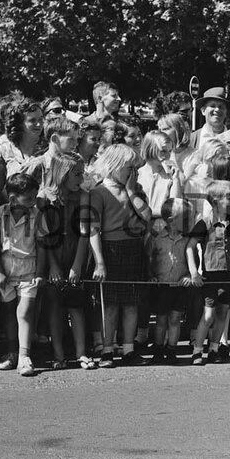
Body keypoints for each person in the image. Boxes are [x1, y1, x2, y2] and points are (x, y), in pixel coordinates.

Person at [85, 143, 151, 367]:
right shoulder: (99, 192)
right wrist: (99, 262)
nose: (133, 173)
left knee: (131, 304)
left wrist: (132, 191)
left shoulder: (135, 189)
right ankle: (107, 348)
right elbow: (93, 229)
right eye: (129, 168)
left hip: (133, 248)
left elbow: (147, 216)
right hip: (110, 250)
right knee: (110, 305)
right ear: (114, 166)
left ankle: (129, 349)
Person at [0, 172, 51, 376]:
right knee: (9, 313)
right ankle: (11, 352)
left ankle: (25, 356)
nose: (34, 201)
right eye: (29, 197)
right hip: (6, 272)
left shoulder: (37, 215)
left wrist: (41, 273)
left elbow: (42, 246)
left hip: (28, 271)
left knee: (24, 312)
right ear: (13, 198)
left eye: (35, 196)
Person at [40, 153, 95, 369]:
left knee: (76, 305)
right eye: (77, 174)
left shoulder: (83, 196)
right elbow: (45, 235)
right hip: (53, 254)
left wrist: (77, 265)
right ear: (62, 174)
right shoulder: (45, 197)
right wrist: (53, 265)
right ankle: (59, 355)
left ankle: (81, 353)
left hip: (75, 252)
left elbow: (84, 232)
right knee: (54, 305)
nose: (81, 179)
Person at [188, 180, 230, 364]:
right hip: (212, 276)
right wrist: (194, 272)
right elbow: (190, 247)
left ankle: (214, 349)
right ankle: (197, 350)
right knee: (208, 315)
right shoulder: (205, 223)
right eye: (229, 198)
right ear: (215, 201)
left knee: (223, 312)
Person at [144, 198, 201, 364]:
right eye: (185, 217)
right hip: (162, 285)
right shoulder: (157, 238)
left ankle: (172, 349)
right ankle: (158, 349)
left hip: (179, 285)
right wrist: (151, 275)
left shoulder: (187, 239)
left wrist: (190, 276)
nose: (189, 220)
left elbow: (194, 260)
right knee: (161, 319)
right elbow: (149, 258)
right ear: (171, 220)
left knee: (175, 319)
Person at [21, 115, 81, 200]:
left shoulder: (75, 164)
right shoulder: (36, 166)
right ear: (55, 139)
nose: (76, 144)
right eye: (71, 139)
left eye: (77, 139)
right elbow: (15, 190)